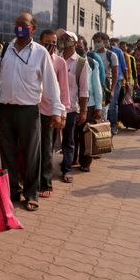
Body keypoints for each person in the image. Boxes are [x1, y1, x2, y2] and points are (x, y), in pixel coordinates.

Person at [0, 12, 64, 212]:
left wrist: (57, 110)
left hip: (29, 111)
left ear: (33, 29)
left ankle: (31, 194)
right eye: (17, 23)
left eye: (24, 24)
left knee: (31, 154)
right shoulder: (5, 51)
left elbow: (51, 84)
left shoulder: (40, 53)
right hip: (6, 111)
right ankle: (11, 192)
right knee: (8, 154)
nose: (20, 27)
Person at [38, 30, 70, 196]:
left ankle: (45, 183)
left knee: (46, 148)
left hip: (49, 112)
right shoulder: (32, 58)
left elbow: (64, 89)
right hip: (31, 110)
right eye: (47, 43)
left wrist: (63, 112)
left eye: (54, 43)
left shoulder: (59, 63)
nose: (51, 46)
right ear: (40, 42)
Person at [57, 30, 90, 183]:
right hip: (52, 107)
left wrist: (84, 111)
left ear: (75, 43)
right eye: (62, 38)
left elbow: (84, 90)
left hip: (70, 108)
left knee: (69, 140)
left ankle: (67, 168)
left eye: (67, 38)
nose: (63, 40)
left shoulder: (81, 62)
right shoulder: (54, 59)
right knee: (49, 140)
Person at [74, 36, 104, 173]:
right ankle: (72, 159)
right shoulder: (66, 61)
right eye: (75, 45)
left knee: (86, 136)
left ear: (86, 48)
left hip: (90, 105)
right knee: (72, 135)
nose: (77, 47)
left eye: (80, 45)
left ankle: (85, 163)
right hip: (72, 105)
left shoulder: (92, 63)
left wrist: (99, 108)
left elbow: (97, 87)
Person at [92, 33, 119, 135]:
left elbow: (115, 75)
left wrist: (112, 90)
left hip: (105, 86)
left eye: (99, 41)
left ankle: (103, 134)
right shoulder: (90, 54)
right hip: (92, 86)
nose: (97, 44)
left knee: (103, 112)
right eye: (95, 42)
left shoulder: (111, 55)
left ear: (105, 42)